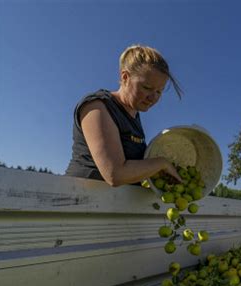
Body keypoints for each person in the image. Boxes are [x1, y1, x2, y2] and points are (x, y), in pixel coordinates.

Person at [65, 44, 182, 186]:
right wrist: (162, 163)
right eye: (147, 87)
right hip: (78, 201)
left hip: (116, 205)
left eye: (159, 91)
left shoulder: (135, 118)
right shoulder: (97, 106)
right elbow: (114, 174)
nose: (153, 97)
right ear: (125, 77)